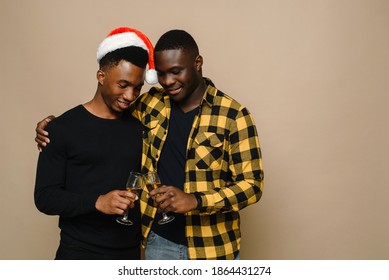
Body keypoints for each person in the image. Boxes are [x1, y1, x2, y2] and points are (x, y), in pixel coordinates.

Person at [35, 29, 264, 260]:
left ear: (197, 63)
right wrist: (53, 127)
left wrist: (195, 200)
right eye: (162, 74)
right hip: (158, 242)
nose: (168, 81)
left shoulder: (234, 115)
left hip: (213, 247)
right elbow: (102, 114)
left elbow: (253, 185)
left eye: (176, 72)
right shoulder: (151, 104)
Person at [34, 26, 158, 260]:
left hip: (128, 256)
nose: (130, 96)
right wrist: (97, 202)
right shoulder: (61, 128)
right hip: (78, 255)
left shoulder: (141, 127)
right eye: (122, 85)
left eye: (137, 87)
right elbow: (44, 197)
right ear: (101, 76)